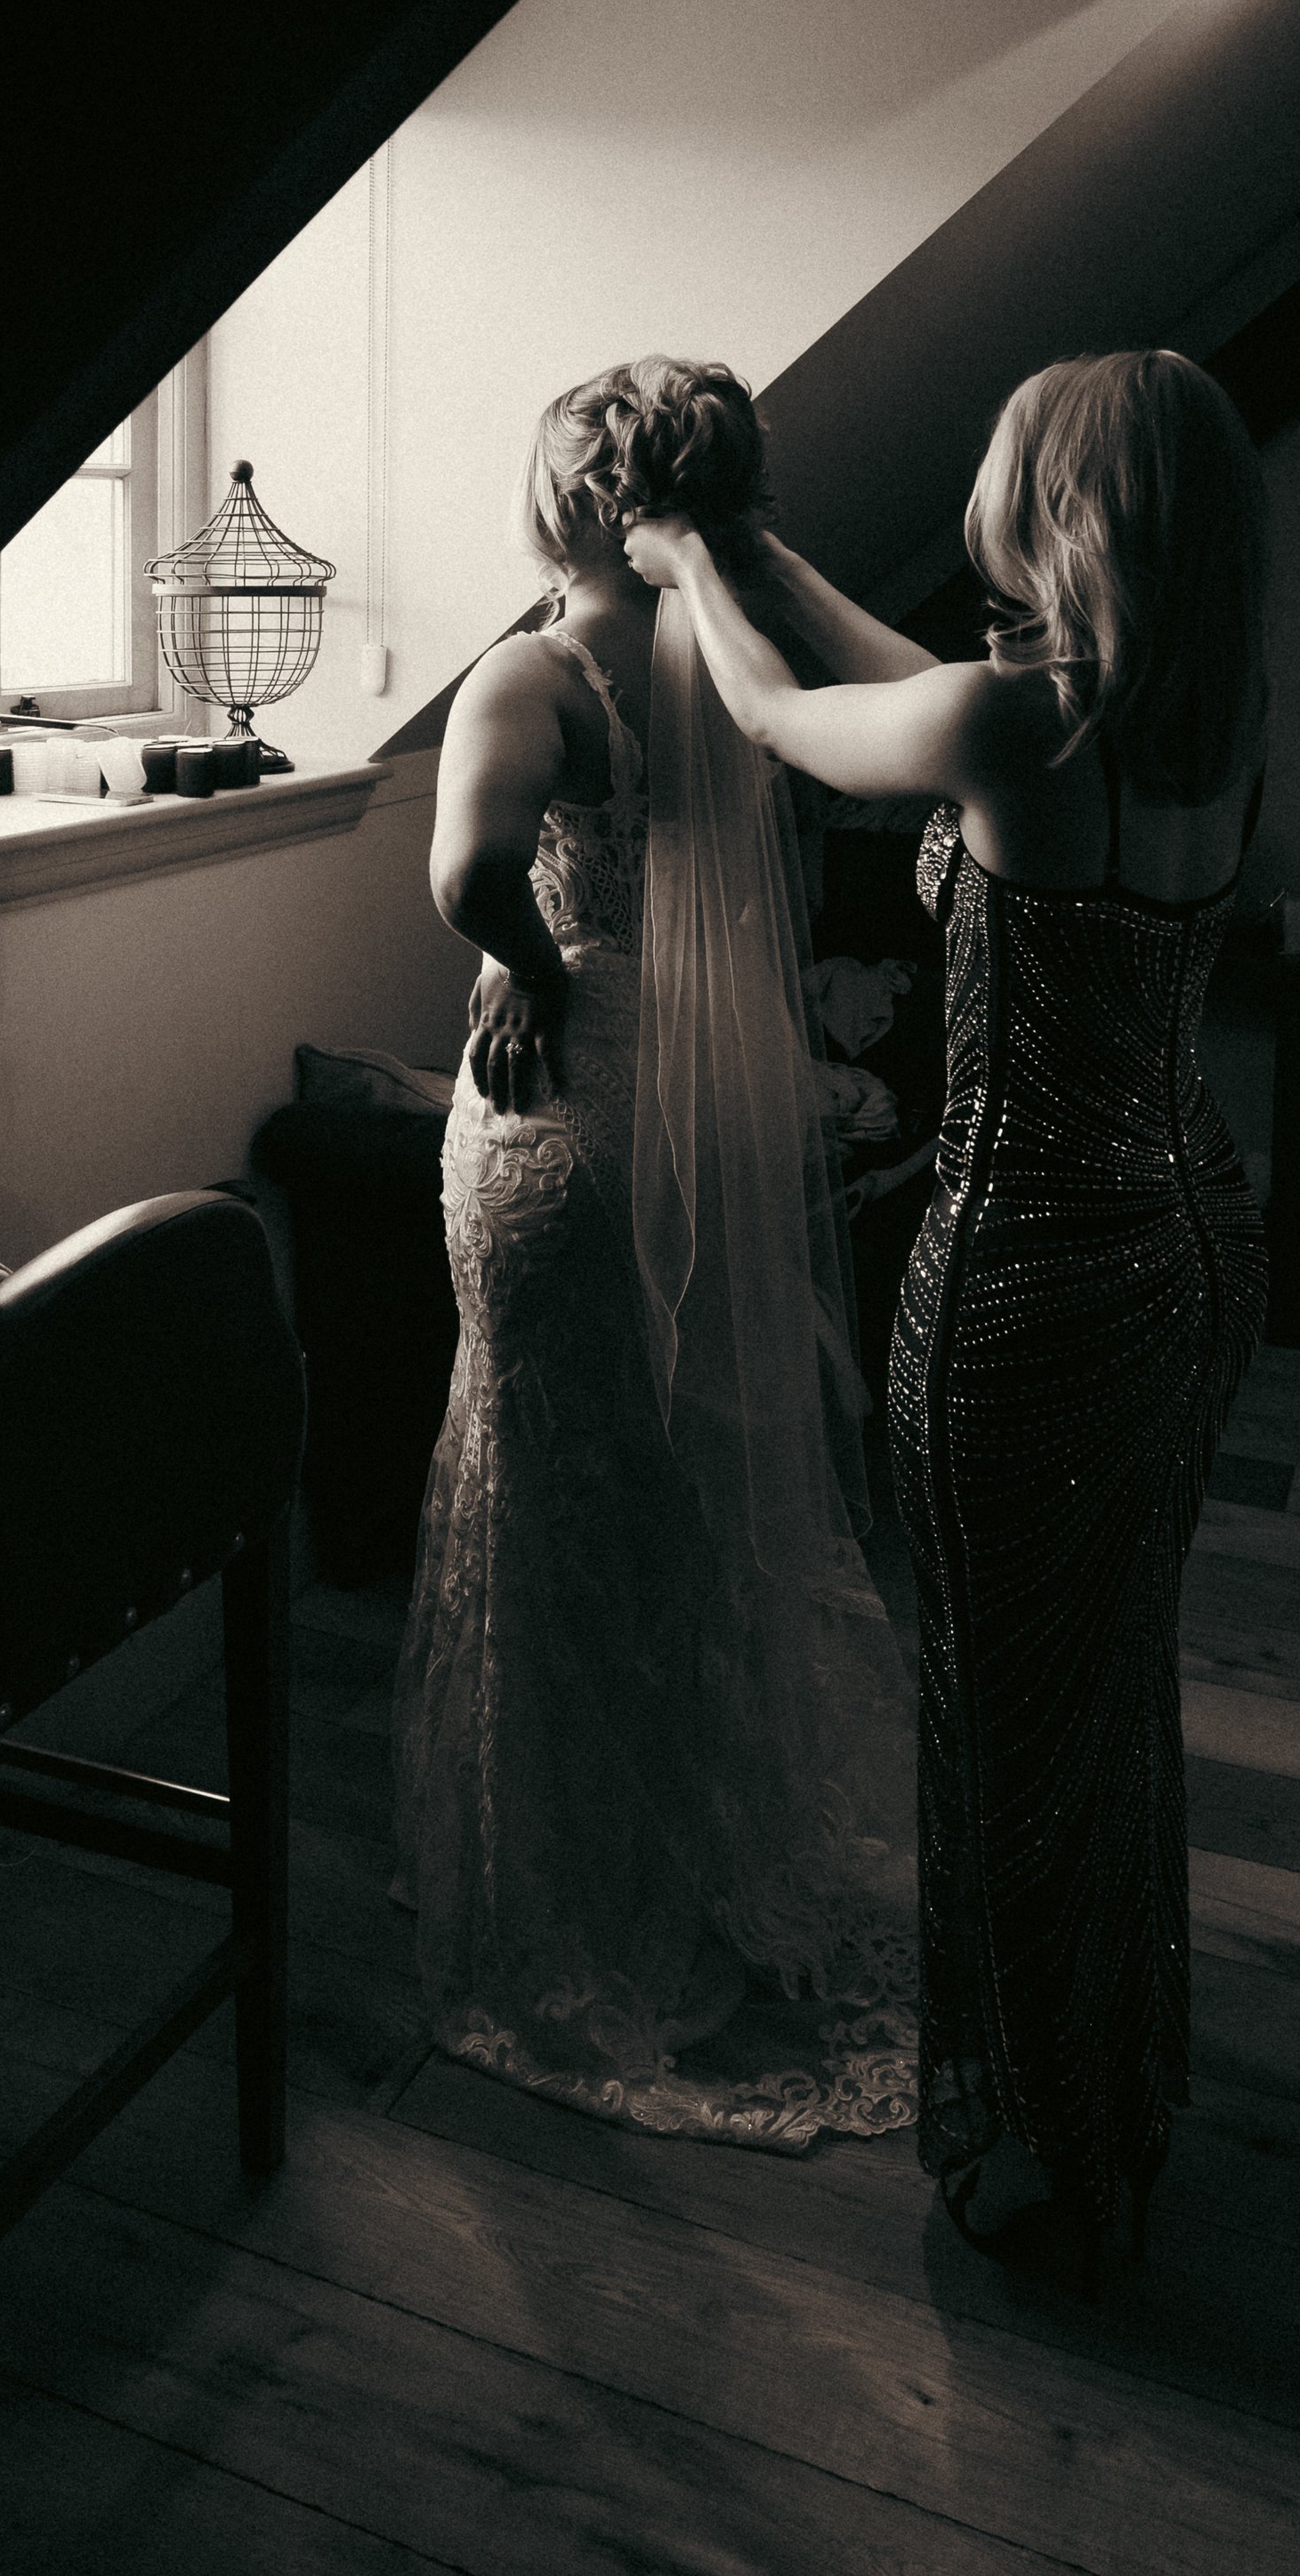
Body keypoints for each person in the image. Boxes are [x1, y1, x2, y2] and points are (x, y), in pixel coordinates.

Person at [625, 347, 1270, 2282]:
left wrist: (684, 567)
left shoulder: (1012, 725)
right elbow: (917, 687)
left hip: (1027, 1279)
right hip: (1186, 1250)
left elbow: (795, 722)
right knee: (1107, 1687)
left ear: (1067, 513)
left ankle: (1037, 2133)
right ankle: (1111, 2074)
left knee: (996, 1708)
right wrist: (760, 548)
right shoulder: (1194, 724)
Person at [392, 356, 916, 2145]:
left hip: (561, 1116)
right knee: (676, 1501)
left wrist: (531, 969)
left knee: (546, 1494)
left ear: (570, 496)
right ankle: (685, 1861)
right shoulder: (719, 662)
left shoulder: (532, 672)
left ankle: (557, 1894)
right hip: (701, 1099)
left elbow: (468, 877)